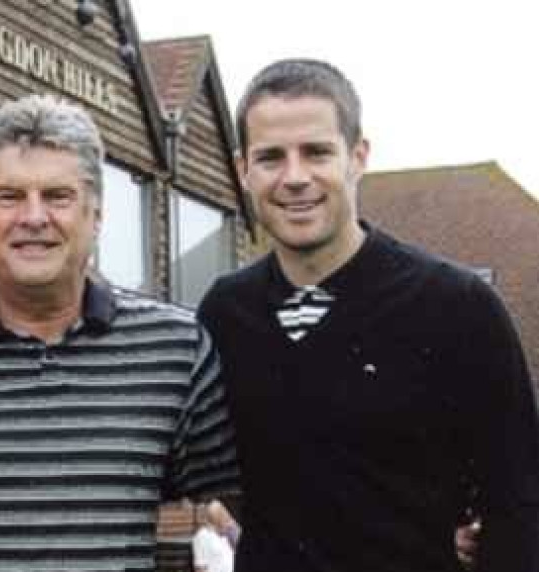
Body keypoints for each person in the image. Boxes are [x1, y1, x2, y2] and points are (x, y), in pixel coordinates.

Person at [0, 94, 239, 572]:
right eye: (10, 196)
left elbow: (259, 508)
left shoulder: (175, 353)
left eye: (58, 196)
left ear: (95, 217)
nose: (34, 217)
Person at [197, 58, 539, 572]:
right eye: (271, 157)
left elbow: (518, 498)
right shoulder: (227, 312)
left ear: (358, 157)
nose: (295, 178)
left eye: (316, 152)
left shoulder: (457, 306)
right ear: (244, 170)